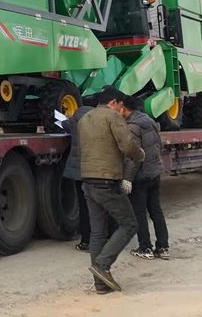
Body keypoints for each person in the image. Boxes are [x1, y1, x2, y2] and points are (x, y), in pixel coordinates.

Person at [78, 86, 145, 294]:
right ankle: (102, 265)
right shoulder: (113, 117)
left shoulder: (84, 118)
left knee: (98, 232)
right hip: (107, 180)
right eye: (121, 106)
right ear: (113, 102)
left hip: (87, 180)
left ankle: (101, 284)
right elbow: (127, 146)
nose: (121, 110)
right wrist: (140, 154)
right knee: (129, 224)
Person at [121, 95, 170, 260]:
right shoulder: (150, 122)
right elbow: (158, 145)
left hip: (141, 176)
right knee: (156, 211)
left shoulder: (132, 127)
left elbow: (134, 157)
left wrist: (127, 178)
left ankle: (145, 247)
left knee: (140, 213)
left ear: (124, 108)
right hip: (155, 172)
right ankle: (163, 247)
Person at [61, 105, 93, 252]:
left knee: (83, 206)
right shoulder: (97, 117)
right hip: (94, 169)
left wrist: (68, 118)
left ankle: (85, 240)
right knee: (98, 206)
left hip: (78, 170)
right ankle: (101, 239)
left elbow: (64, 125)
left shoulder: (76, 118)